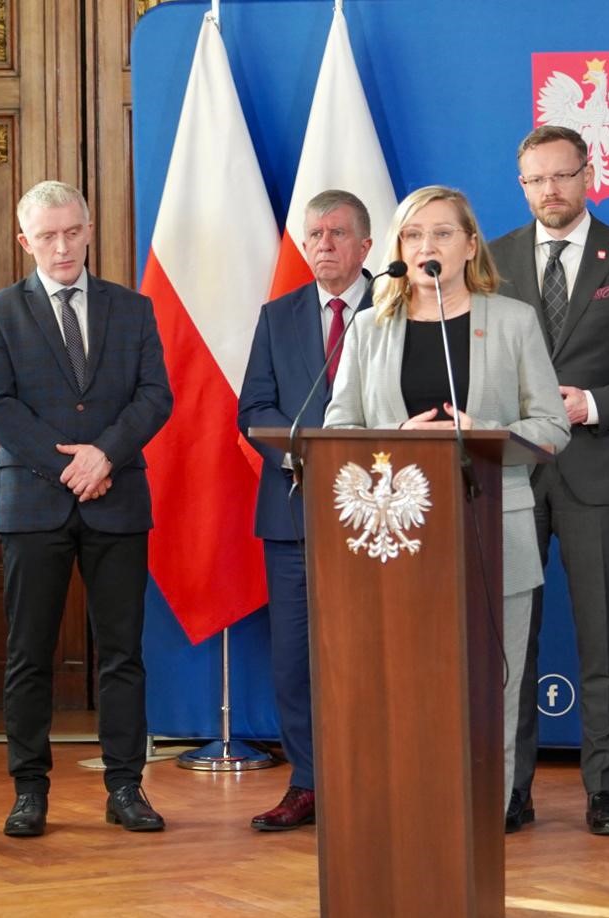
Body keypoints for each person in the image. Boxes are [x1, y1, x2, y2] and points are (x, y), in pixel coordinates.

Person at [323, 185, 571, 809]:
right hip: (394, 535)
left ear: (469, 245)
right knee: (401, 684)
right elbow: (339, 428)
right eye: (413, 235)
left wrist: (481, 432)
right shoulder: (369, 328)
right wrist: (398, 436)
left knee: (493, 686)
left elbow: (552, 426)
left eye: (440, 233)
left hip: (493, 529)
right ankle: (408, 809)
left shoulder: (512, 320)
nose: (425, 246)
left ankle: (488, 807)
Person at [489, 125, 609, 836]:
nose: (550, 190)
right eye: (536, 179)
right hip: (510, 473)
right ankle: (511, 789)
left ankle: (603, 791)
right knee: (511, 644)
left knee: (601, 640)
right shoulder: (493, 258)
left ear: (589, 175)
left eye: (562, 175)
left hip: (597, 472)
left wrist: (592, 404)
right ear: (522, 186)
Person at [0, 180, 173, 837]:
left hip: (117, 499)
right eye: (47, 236)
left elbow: (155, 395)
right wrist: (69, 466)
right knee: (29, 655)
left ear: (88, 231)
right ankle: (29, 791)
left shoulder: (133, 308)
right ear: (24, 241)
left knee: (122, 653)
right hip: (34, 502)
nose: (62, 247)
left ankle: (126, 787)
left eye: (71, 232)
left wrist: (104, 455)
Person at [238, 190, 376, 831]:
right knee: (295, 659)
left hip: (380, 512)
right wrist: (304, 454)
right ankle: (309, 782)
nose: (324, 244)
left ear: (365, 245)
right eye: (315, 234)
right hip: (293, 512)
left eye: (337, 233)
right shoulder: (278, 315)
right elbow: (253, 407)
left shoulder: (399, 308)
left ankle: (374, 777)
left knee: (373, 651)